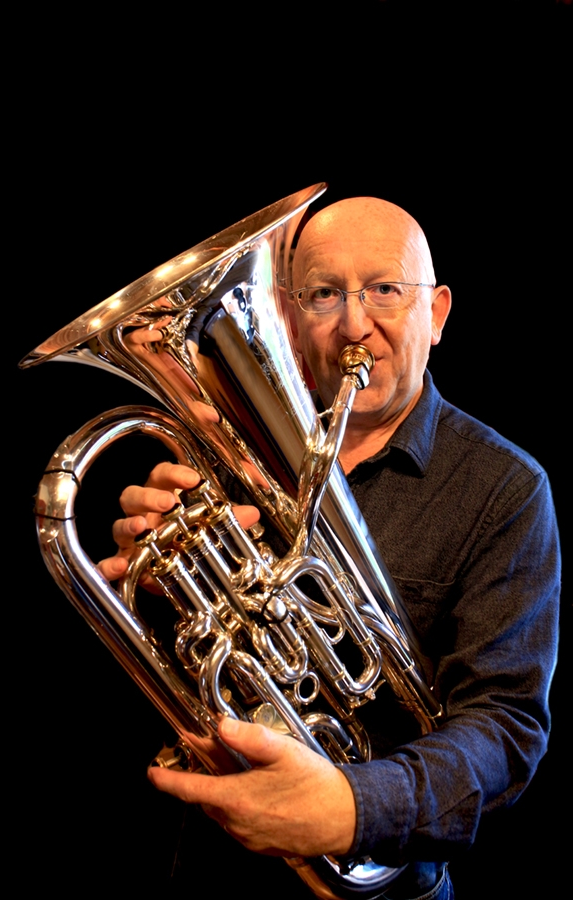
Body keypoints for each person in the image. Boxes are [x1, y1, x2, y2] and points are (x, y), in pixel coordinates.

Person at [99, 197, 560, 899]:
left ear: (436, 314)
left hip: (381, 885)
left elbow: (505, 727)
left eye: (384, 289)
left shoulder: (505, 489)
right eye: (324, 294)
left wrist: (350, 806)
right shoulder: (229, 457)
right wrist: (161, 585)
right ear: (290, 319)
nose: (353, 323)